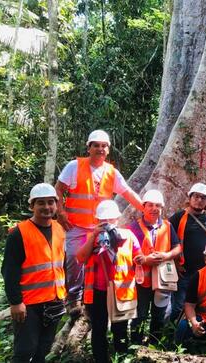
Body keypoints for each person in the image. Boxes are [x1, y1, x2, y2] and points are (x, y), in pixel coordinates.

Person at [54, 130, 143, 315]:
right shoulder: (74, 166)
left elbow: (128, 193)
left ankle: (101, 299)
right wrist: (60, 211)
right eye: (96, 145)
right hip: (76, 225)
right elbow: (59, 188)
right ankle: (73, 299)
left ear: (108, 150)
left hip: (103, 227)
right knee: (73, 259)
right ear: (89, 147)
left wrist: (146, 209)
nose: (100, 149)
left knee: (105, 262)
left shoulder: (112, 172)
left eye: (104, 146)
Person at [2, 183, 66, 363]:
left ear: (56, 204)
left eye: (50, 202)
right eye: (41, 203)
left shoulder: (59, 230)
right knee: (24, 351)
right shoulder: (19, 233)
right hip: (29, 304)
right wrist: (16, 302)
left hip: (54, 300)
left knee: (43, 350)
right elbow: (9, 271)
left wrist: (65, 293)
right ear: (32, 206)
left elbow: (62, 264)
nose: (46, 207)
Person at [77, 200, 143, 363]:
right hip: (98, 292)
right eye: (103, 220)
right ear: (97, 220)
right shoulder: (91, 237)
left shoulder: (127, 235)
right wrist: (94, 237)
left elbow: (138, 257)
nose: (107, 223)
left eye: (111, 219)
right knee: (99, 330)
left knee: (120, 329)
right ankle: (101, 359)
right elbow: (80, 258)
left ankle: (121, 357)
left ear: (118, 219)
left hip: (121, 292)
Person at [128, 190, 182, 345]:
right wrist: (145, 260)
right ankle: (136, 347)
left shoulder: (167, 226)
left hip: (162, 280)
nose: (154, 209)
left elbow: (177, 247)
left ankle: (154, 347)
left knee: (161, 315)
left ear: (161, 208)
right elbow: (125, 254)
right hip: (142, 282)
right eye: (150, 205)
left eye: (157, 206)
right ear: (143, 207)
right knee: (140, 315)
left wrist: (166, 256)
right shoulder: (133, 228)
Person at [169, 183, 206, 321]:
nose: (199, 200)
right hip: (184, 271)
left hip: (204, 272)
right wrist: (175, 263)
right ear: (190, 198)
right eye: (196, 197)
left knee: (201, 304)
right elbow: (168, 241)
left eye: (203, 198)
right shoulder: (178, 218)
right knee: (179, 306)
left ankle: (195, 334)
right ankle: (173, 334)